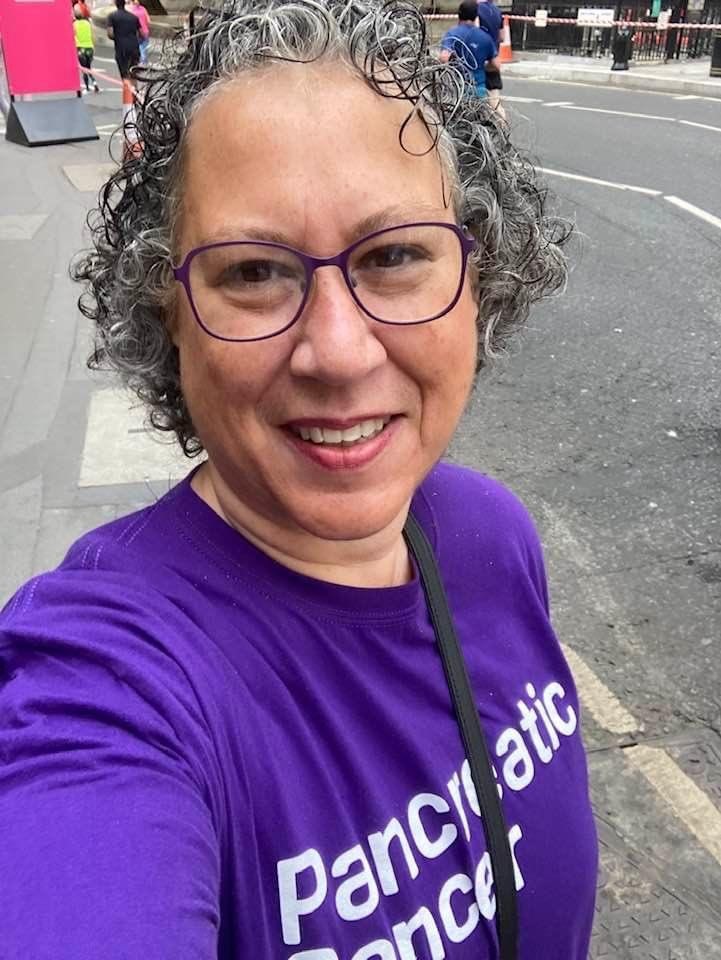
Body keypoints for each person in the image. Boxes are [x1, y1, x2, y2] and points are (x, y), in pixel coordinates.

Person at [0, 1, 598, 957]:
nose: (336, 350)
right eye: (252, 271)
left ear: (478, 273)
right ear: (169, 312)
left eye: (395, 255)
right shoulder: (107, 676)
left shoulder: (491, 537)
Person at [440, 0, 500, 100]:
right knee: (480, 114)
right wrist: (482, 66)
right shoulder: (485, 37)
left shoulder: (452, 34)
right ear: (476, 16)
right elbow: (496, 65)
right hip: (479, 90)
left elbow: (444, 58)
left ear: (459, 14)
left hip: (458, 88)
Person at [477, 0, 506, 120]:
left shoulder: (476, 9)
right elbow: (502, 37)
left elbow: (475, 32)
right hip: (493, 60)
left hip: (478, 61)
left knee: (474, 101)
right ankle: (503, 130)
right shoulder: (497, 11)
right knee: (495, 101)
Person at [106, 0, 141, 82]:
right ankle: (135, 92)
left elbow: (110, 34)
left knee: (124, 73)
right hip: (134, 47)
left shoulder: (111, 16)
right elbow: (141, 33)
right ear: (124, 3)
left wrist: (118, 37)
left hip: (121, 48)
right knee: (133, 72)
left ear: (116, 3)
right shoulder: (133, 17)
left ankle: (128, 92)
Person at [73, 4, 100, 93]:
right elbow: (92, 36)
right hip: (90, 48)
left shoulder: (74, 24)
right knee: (89, 67)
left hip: (81, 48)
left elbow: (73, 36)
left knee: (84, 69)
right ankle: (95, 83)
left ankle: (87, 87)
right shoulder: (87, 24)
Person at [127, 0, 151, 65]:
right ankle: (144, 63)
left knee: (138, 49)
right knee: (144, 49)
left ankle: (140, 63)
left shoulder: (130, 10)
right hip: (145, 31)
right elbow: (149, 21)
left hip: (136, 33)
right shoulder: (143, 9)